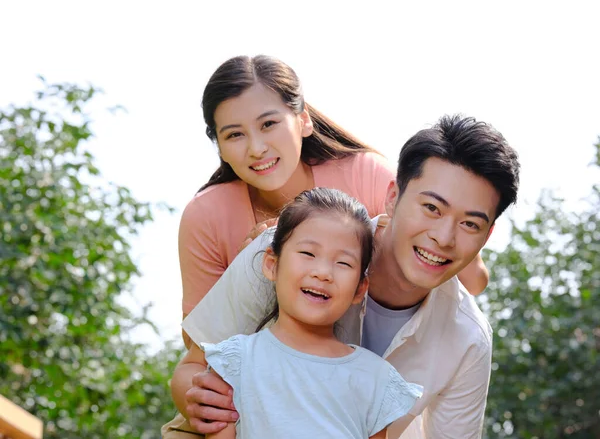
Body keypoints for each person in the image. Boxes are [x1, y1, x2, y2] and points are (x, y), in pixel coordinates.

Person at [169, 115, 521, 438]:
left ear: (486, 236)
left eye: (469, 224)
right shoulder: (287, 254)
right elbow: (190, 371)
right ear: (392, 197)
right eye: (431, 208)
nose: (443, 237)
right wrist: (202, 403)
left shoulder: (467, 339)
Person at [179, 55, 489, 343]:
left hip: (380, 357)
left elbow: (471, 283)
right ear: (218, 144)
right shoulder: (206, 215)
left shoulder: (364, 175)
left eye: (268, 124)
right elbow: (198, 342)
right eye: (235, 134)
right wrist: (247, 273)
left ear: (303, 121)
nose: (256, 148)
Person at [175, 188, 423, 438]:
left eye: (343, 263)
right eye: (308, 253)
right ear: (272, 264)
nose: (322, 272)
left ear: (360, 288)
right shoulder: (236, 360)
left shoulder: (374, 378)